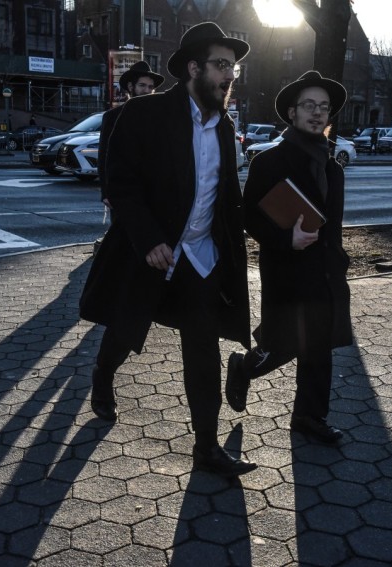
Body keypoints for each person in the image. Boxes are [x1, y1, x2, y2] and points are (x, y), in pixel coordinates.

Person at [78, 22, 255, 477]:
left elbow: (222, 196)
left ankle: (207, 447)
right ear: (193, 68)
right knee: (126, 327)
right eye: (220, 65)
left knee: (203, 348)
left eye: (232, 68)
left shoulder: (224, 127)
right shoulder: (146, 114)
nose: (228, 75)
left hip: (199, 257)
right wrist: (149, 238)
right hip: (151, 252)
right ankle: (103, 372)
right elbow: (122, 183)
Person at [225, 71, 353, 445]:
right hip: (285, 269)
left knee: (319, 347)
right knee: (285, 344)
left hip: (325, 272)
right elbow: (247, 217)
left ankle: (309, 418)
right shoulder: (270, 162)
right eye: (309, 106)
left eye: (323, 107)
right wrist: (285, 239)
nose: (317, 113)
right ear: (293, 113)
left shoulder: (334, 168)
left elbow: (334, 227)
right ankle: (245, 366)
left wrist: (338, 262)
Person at [98, 60, 164, 204]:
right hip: (122, 190)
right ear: (130, 86)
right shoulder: (112, 117)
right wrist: (106, 193)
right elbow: (104, 157)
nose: (147, 90)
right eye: (142, 85)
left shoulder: (160, 117)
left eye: (151, 87)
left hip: (153, 191)